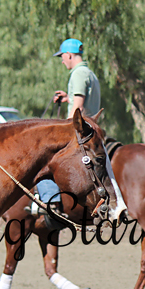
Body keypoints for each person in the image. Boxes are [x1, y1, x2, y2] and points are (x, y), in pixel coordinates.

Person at [34, 38, 103, 226]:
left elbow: (78, 109)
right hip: (91, 130)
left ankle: (51, 201)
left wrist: (61, 128)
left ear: (69, 55)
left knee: (43, 158)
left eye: (62, 57)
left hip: (79, 133)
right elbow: (82, 101)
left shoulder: (78, 74)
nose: (62, 61)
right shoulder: (89, 74)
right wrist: (68, 98)